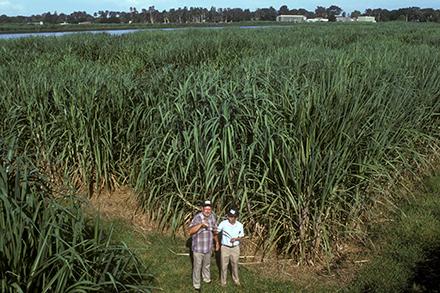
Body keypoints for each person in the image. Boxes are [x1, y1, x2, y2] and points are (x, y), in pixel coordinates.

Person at [188, 200, 220, 291]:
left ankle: (206, 279)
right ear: (202, 209)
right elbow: (190, 231)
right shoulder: (197, 218)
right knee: (197, 267)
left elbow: (215, 231)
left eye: (209, 209)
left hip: (208, 247)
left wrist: (217, 242)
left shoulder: (213, 217)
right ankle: (196, 284)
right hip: (198, 248)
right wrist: (201, 225)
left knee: (207, 265)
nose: (207, 211)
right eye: (205, 209)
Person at [217, 208, 244, 287]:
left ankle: (236, 280)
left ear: (236, 217)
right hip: (225, 247)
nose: (230, 218)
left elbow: (241, 236)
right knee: (223, 265)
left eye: (232, 217)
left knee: (235, 264)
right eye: (229, 216)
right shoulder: (223, 223)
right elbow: (217, 231)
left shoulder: (240, 225)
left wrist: (236, 239)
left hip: (235, 248)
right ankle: (223, 282)